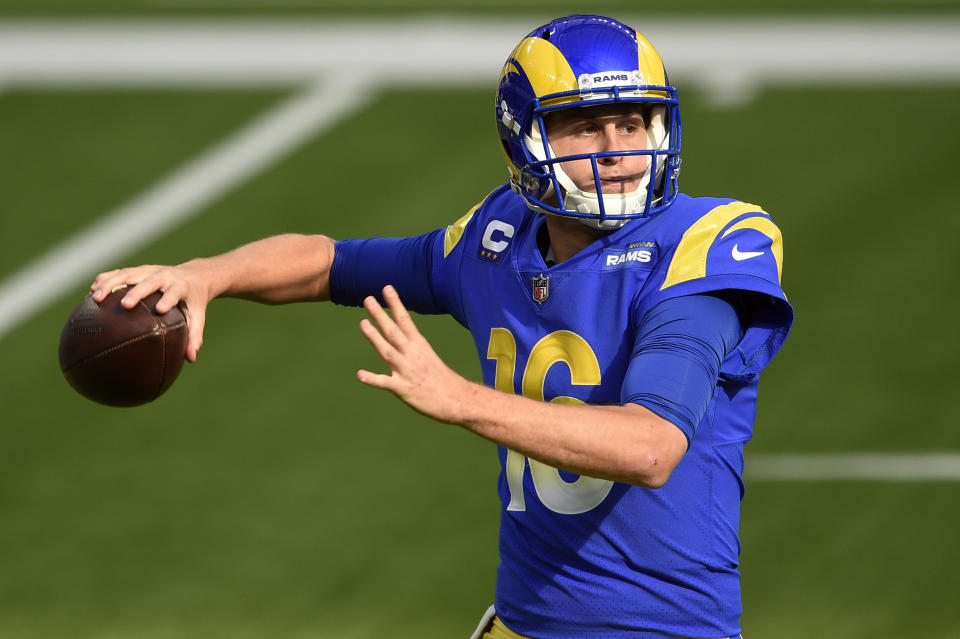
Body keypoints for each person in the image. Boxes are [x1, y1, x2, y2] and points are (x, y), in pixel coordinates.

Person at [91, 14, 793, 639]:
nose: (617, 146)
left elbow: (651, 447)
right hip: (525, 619)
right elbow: (328, 262)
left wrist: (460, 398)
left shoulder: (702, 245)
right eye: (584, 125)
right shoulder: (495, 239)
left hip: (657, 627)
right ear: (526, 138)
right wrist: (206, 274)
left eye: (633, 121)